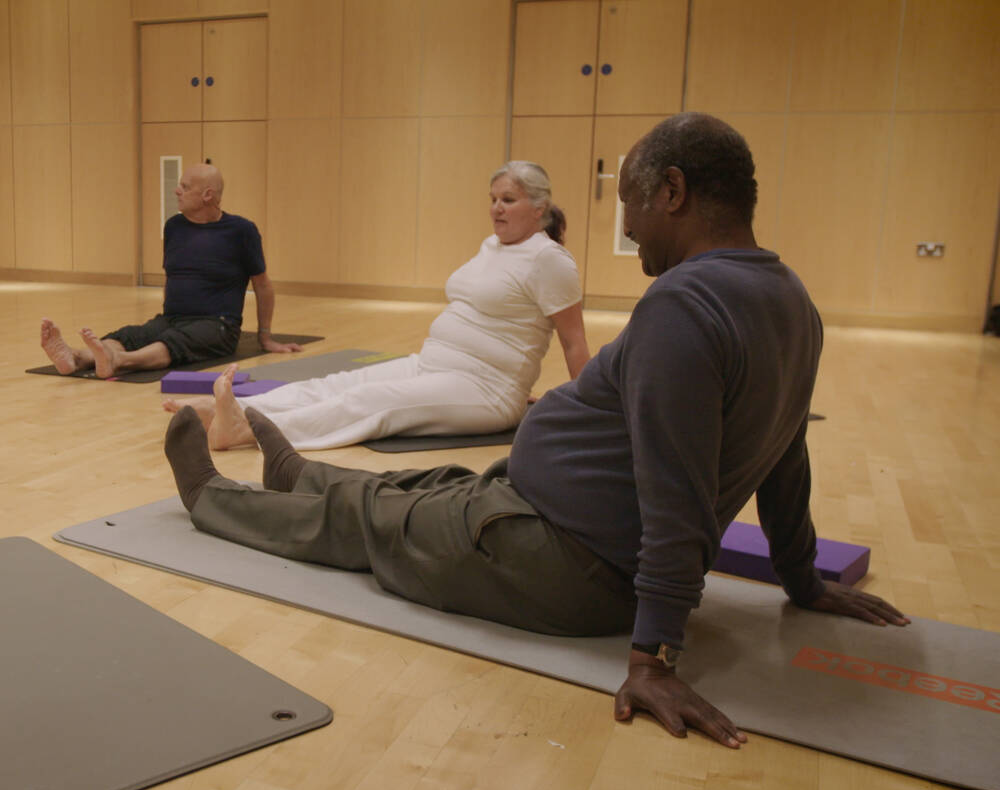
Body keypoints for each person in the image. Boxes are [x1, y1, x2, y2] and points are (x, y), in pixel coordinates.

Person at [160, 113, 909, 748]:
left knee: (370, 523)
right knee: (428, 484)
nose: (624, 223)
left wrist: (652, 657)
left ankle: (210, 499)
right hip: (545, 517)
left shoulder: (688, 306)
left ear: (673, 191)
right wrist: (801, 575)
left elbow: (677, 492)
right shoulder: (790, 299)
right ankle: (299, 473)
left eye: (633, 201)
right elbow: (788, 451)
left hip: (562, 562)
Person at [165, 161, 589, 451]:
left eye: (509, 200)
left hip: (485, 389)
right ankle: (241, 410)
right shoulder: (494, 245)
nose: (496, 207)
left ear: (540, 207)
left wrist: (585, 414)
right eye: (494, 198)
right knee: (339, 382)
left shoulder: (548, 260)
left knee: (371, 401)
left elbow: (573, 343)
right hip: (433, 365)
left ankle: (245, 430)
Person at [39, 164, 302, 378]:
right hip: (173, 317)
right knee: (132, 334)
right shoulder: (174, 226)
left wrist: (265, 337)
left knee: (172, 343)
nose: (177, 190)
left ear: (208, 195)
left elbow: (262, 284)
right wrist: (167, 315)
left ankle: (117, 361)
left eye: (185, 187)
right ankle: (75, 358)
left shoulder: (241, 231)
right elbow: (172, 277)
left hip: (218, 325)